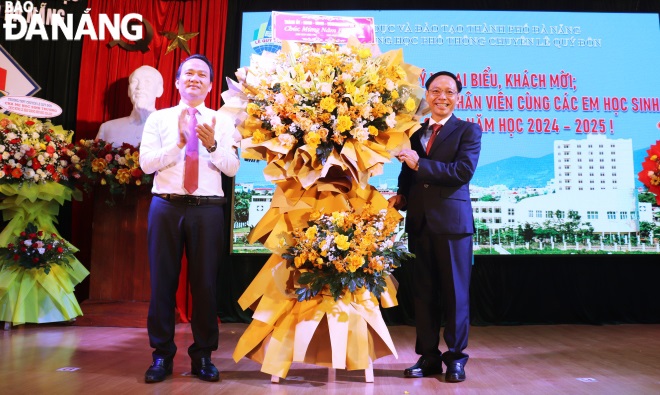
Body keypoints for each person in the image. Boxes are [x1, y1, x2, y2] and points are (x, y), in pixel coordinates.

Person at [139, 54, 240, 383]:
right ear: (178, 82)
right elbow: (146, 164)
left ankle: (203, 356)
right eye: (189, 74)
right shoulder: (159, 119)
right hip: (166, 206)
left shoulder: (222, 122)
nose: (195, 79)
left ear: (210, 85)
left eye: (202, 75)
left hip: (207, 209)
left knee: (205, 286)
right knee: (162, 283)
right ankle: (161, 356)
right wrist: (177, 144)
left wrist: (211, 146)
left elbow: (232, 168)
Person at [388, 71, 482, 383]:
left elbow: (462, 171)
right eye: (435, 91)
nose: (442, 97)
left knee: (455, 294)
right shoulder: (414, 132)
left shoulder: (468, 130)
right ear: (427, 95)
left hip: (453, 225)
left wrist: (419, 164)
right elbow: (407, 171)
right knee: (423, 294)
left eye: (449, 92)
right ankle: (428, 357)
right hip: (419, 223)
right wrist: (401, 196)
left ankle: (456, 358)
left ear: (458, 97)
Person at [96, 65, 164, 147]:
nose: (139, 87)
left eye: (147, 81)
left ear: (159, 90)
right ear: (129, 91)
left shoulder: (173, 129)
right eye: (135, 81)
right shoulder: (107, 128)